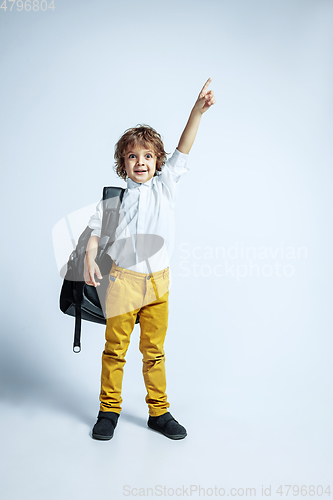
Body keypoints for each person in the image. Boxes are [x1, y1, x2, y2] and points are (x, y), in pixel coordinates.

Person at [84, 78, 216, 441]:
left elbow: (184, 147)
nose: (140, 162)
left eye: (147, 156)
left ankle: (158, 413)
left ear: (158, 161)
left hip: (158, 284)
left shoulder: (165, 187)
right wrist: (89, 257)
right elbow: (94, 233)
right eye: (132, 156)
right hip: (122, 283)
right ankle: (108, 411)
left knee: (154, 352)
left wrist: (196, 111)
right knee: (115, 351)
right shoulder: (114, 199)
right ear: (122, 162)